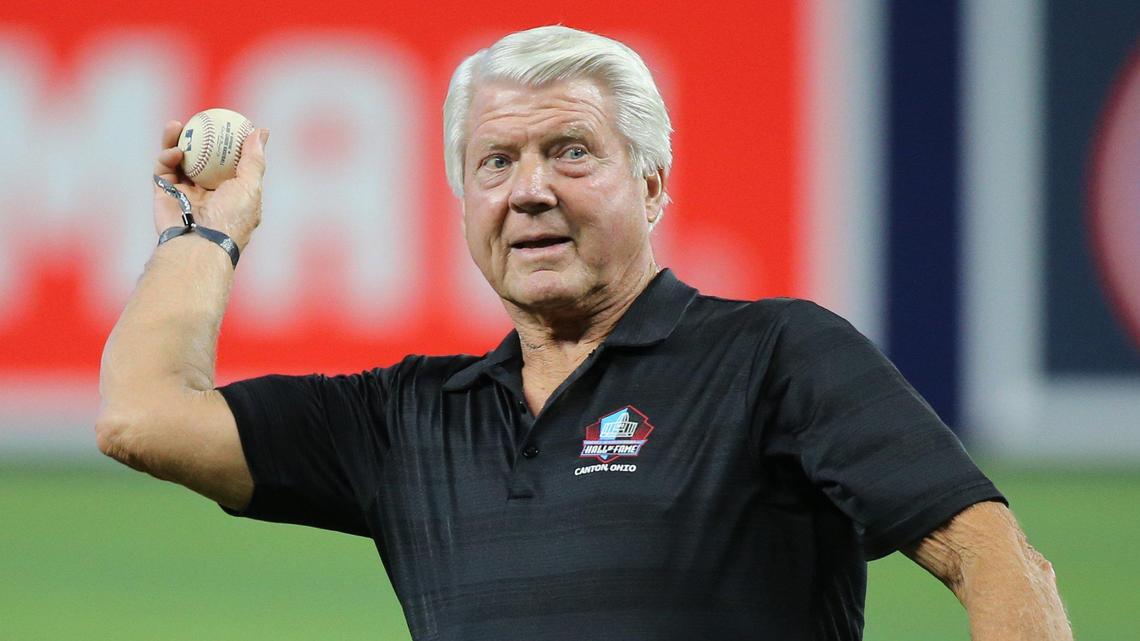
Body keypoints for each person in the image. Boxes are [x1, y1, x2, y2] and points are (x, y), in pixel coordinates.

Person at [96, 25, 1071, 641]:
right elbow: (143, 417)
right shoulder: (403, 419)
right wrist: (204, 231)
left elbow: (997, 557)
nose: (530, 190)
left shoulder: (775, 355)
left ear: (651, 185)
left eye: (571, 152)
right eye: (496, 162)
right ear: (464, 200)